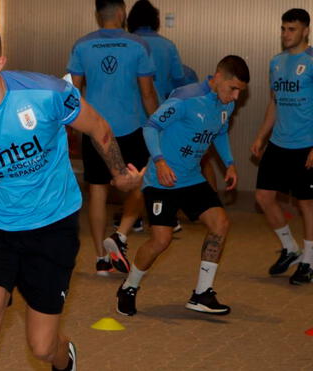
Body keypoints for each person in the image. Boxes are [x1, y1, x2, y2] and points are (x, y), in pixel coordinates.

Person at [0, 17, 143, 371]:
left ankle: (65, 358)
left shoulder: (46, 94)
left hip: (52, 225)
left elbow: (99, 128)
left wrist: (120, 174)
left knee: (43, 348)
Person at [116, 55, 249, 316]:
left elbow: (219, 133)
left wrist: (230, 163)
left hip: (191, 178)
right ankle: (129, 287)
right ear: (218, 77)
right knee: (161, 240)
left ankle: (202, 293)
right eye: (232, 89)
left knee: (220, 224)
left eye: (239, 92)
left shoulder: (226, 106)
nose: (235, 97)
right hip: (161, 179)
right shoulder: (186, 98)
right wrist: (160, 162)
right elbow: (151, 127)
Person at [67, 0, 158, 276]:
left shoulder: (81, 45)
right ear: (122, 13)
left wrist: (74, 127)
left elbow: (73, 92)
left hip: (95, 129)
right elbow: (147, 93)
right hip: (131, 127)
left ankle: (100, 259)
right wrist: (158, 125)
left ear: (98, 15)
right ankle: (120, 234)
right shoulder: (138, 45)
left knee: (97, 191)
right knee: (141, 183)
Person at [251, 8, 313, 285]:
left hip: (306, 144)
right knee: (264, 196)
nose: (286, 34)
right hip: (279, 142)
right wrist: (261, 136)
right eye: (283, 28)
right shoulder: (276, 62)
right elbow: (274, 103)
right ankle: (290, 249)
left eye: (292, 29)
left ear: (305, 31)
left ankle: (309, 262)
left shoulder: (312, 62)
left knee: (306, 204)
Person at [127, 0, 184, 101]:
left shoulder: (126, 44)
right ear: (155, 20)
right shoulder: (168, 45)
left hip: (131, 109)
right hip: (159, 107)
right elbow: (179, 81)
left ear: (131, 20)